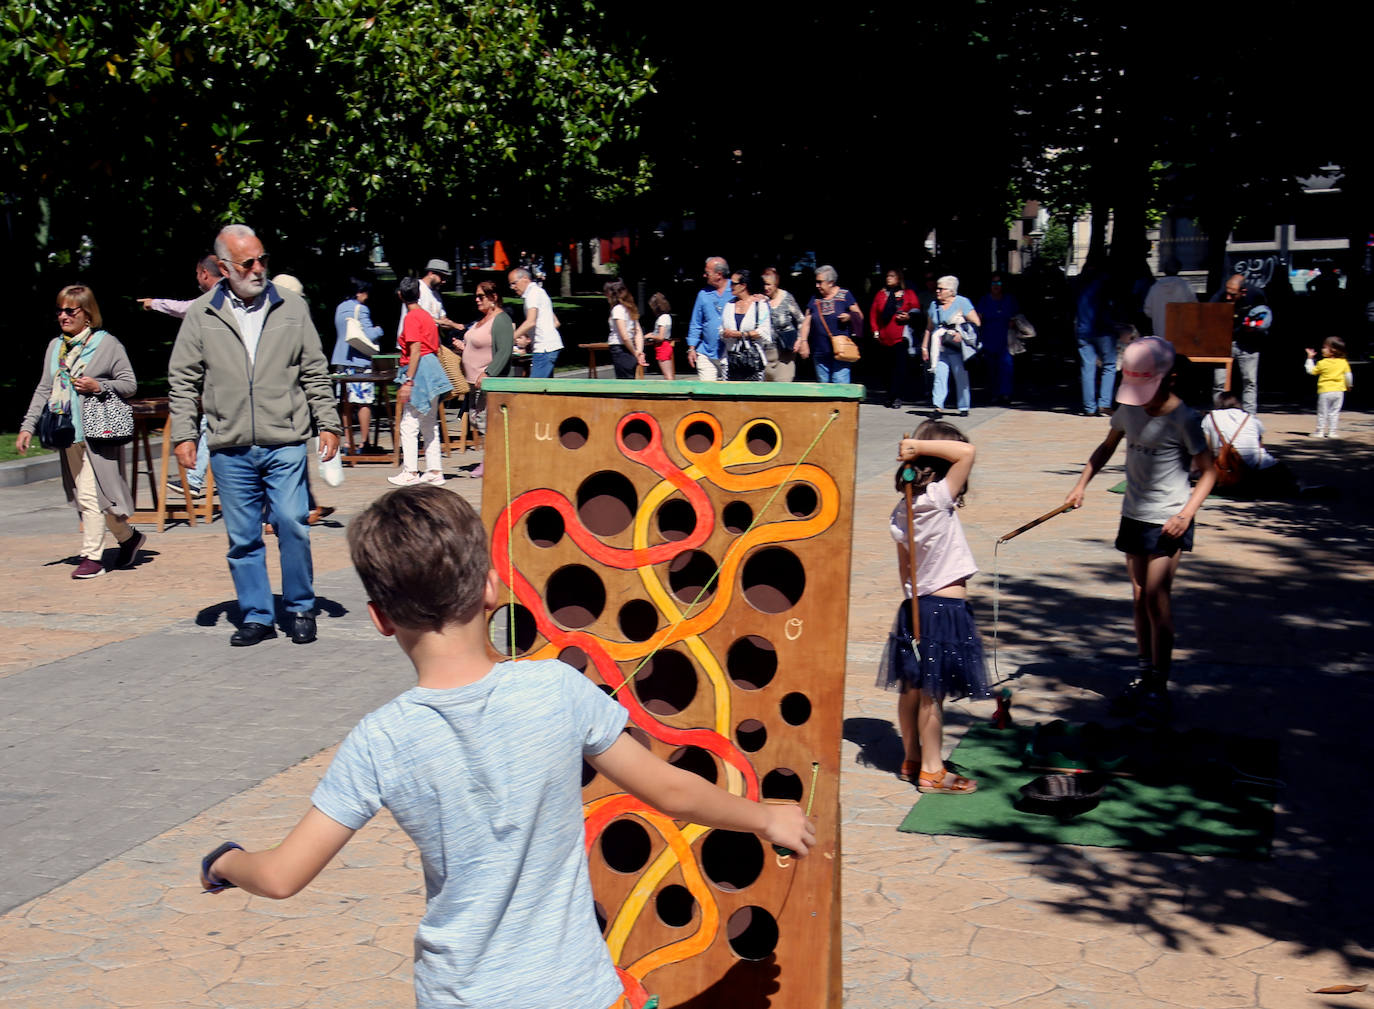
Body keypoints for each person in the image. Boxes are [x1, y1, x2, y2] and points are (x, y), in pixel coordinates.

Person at [195, 485, 815, 1009]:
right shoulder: (555, 687)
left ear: (380, 617)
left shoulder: (380, 739)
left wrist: (225, 863)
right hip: (576, 993)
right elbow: (670, 789)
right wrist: (766, 816)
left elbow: (279, 878)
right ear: (491, 587)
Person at [168, 224, 342, 646]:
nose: (259, 268)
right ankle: (257, 615)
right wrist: (185, 435)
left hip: (284, 437)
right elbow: (183, 378)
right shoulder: (202, 313)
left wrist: (329, 422)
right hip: (229, 443)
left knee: (291, 523)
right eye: (249, 262)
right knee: (243, 536)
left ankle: (300, 606)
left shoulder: (292, 307)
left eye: (263, 259)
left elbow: (314, 369)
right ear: (225, 267)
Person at [1065, 337, 1216, 723]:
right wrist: (1081, 483)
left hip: (1169, 518)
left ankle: (1160, 686)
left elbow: (1209, 471)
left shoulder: (1184, 418)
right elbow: (1107, 446)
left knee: (1155, 597)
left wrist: (1186, 514)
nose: (1142, 399)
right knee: (1137, 598)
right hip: (1133, 513)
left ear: (1171, 379)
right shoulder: (1129, 410)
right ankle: (1145, 673)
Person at [879, 421, 990, 793]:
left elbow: (903, 569)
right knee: (932, 693)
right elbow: (968, 453)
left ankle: (911, 758)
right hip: (944, 609)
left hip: (915, 605)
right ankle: (932, 769)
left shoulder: (904, 508)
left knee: (911, 688)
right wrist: (915, 445)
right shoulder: (939, 497)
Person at [17, 285, 145, 580]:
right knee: (96, 497)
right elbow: (44, 388)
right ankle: (129, 539)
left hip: (99, 432)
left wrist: (98, 386)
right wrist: (27, 426)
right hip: (66, 431)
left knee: (91, 495)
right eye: (59, 310)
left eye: (69, 311)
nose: (63, 316)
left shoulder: (107, 344)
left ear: (87, 315)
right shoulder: (55, 347)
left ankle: (92, 558)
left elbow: (129, 384)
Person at [139, 252, 221, 495]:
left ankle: (196, 479)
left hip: (223, 381)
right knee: (211, 423)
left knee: (211, 423)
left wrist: (154, 303)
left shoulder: (215, 300)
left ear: (205, 273)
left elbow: (186, 308)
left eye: (198, 274)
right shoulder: (231, 298)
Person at [389, 276, 449, 487]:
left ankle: (411, 470)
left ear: (400, 295)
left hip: (420, 370)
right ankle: (434, 470)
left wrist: (409, 380)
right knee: (429, 422)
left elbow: (415, 349)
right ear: (419, 293)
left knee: (409, 423)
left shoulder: (412, 318)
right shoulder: (427, 316)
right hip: (432, 368)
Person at [457, 281, 514, 479]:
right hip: (474, 381)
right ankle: (495, 459)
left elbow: (504, 351)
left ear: (494, 297)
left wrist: (489, 373)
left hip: (490, 382)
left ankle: (491, 461)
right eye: (476, 296)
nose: (477, 299)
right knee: (477, 419)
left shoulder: (501, 320)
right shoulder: (482, 319)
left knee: (487, 422)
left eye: (481, 296)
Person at [1202, 392, 1299, 498]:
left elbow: (1207, 449)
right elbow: (1260, 445)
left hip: (1226, 472)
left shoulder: (1209, 417)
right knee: (1285, 475)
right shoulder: (1250, 418)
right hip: (1260, 470)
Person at [330, 276, 385, 454]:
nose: (367, 297)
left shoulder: (339, 308)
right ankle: (364, 442)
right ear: (359, 292)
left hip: (341, 360)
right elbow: (368, 335)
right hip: (359, 361)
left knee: (345, 403)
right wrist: (380, 329)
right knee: (363, 402)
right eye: (365, 293)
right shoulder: (361, 309)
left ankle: (348, 442)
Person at [1208, 272, 1271, 415]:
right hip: (1225, 342)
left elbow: (1264, 315)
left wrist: (1256, 327)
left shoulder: (1256, 295)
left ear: (1243, 292)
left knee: (1249, 382)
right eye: (1227, 293)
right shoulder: (1220, 296)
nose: (1228, 297)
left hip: (1249, 343)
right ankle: (1219, 415)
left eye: (1232, 294)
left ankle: (1250, 418)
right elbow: (1209, 313)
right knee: (1220, 383)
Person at [921, 275, 980, 417]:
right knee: (939, 376)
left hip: (957, 346)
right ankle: (938, 407)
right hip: (939, 347)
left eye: (941, 289)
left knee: (960, 376)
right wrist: (924, 347)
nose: (937, 291)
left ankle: (964, 406)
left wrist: (961, 333)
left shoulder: (962, 302)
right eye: (937, 288)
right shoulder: (934, 305)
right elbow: (929, 328)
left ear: (951, 290)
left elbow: (976, 322)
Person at [797, 264, 863, 384]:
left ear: (831, 282)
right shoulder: (815, 298)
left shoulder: (845, 295)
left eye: (820, 282)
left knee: (840, 386)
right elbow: (806, 322)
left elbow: (859, 315)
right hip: (820, 351)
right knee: (824, 388)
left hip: (840, 351)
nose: (817, 285)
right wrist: (803, 341)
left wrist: (849, 317)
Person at [870, 268, 920, 408]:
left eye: (892, 276)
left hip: (901, 337)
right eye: (887, 276)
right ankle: (888, 394)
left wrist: (909, 317)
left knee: (899, 368)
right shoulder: (881, 295)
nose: (889, 278)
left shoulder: (908, 294)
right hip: (884, 338)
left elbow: (916, 310)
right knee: (886, 369)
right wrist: (875, 331)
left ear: (899, 278)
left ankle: (897, 396)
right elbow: (874, 314)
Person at [1073, 258, 1116, 416]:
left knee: (1088, 367)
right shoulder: (1104, 281)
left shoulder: (1079, 284)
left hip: (1083, 330)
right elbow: (1111, 305)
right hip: (1103, 329)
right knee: (1109, 365)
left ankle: (1089, 407)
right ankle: (1104, 404)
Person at [975, 272, 1020, 406]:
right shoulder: (984, 300)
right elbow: (979, 318)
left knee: (1006, 366)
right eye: (993, 283)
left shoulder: (1009, 299)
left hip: (1006, 338)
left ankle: (1006, 393)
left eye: (999, 283)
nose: (996, 286)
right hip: (989, 337)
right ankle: (994, 394)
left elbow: (1015, 316)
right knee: (991, 368)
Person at [508, 267, 562, 377]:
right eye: (511, 284)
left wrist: (510, 339)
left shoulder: (532, 294)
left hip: (544, 350)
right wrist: (530, 337)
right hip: (549, 347)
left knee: (534, 389)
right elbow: (556, 322)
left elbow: (530, 322)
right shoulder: (539, 292)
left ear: (525, 278)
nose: (512, 287)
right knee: (545, 389)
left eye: (514, 283)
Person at [686, 256, 732, 381]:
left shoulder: (735, 290)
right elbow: (696, 323)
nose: (704, 276)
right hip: (706, 352)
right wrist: (691, 348)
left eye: (707, 273)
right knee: (707, 393)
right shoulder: (703, 294)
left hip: (729, 353)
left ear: (719, 274)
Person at [719, 270, 769, 381]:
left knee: (752, 396)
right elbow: (721, 329)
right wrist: (725, 333)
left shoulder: (759, 305)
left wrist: (740, 334)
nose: (730, 286)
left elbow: (763, 332)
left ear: (743, 286)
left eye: (733, 283)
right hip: (731, 361)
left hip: (753, 361)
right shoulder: (729, 305)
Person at [1305, 336, 1353, 438]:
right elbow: (1348, 376)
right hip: (1339, 391)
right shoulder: (1343, 362)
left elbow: (1311, 371)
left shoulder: (1322, 363)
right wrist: (1349, 385)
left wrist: (1309, 358)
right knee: (1334, 412)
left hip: (1325, 391)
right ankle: (1332, 432)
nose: (1322, 349)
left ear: (1333, 350)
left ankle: (1320, 431)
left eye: (1324, 347)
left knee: (1323, 412)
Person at [761, 267, 803, 382]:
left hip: (785, 353)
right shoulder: (762, 301)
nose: (766, 288)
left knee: (783, 386)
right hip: (767, 354)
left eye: (769, 284)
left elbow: (801, 320)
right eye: (764, 284)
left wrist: (800, 340)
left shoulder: (786, 298)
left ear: (776, 284)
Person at [1142, 258, 1196, 339]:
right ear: (1178, 269)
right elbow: (1194, 308)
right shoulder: (1185, 286)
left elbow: (1147, 311)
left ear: (1164, 270)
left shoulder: (1155, 287)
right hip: (1180, 333)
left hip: (1160, 334)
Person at [604, 279, 646, 379]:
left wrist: (636, 353)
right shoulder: (629, 308)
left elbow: (624, 336)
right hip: (630, 348)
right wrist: (639, 351)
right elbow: (638, 331)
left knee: (624, 380)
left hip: (620, 349)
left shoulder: (617, 309)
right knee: (630, 377)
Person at [646, 292, 675, 379]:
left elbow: (661, 337)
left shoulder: (662, 318)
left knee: (667, 375)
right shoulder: (667, 317)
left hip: (663, 347)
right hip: (665, 346)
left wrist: (650, 336)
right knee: (669, 374)